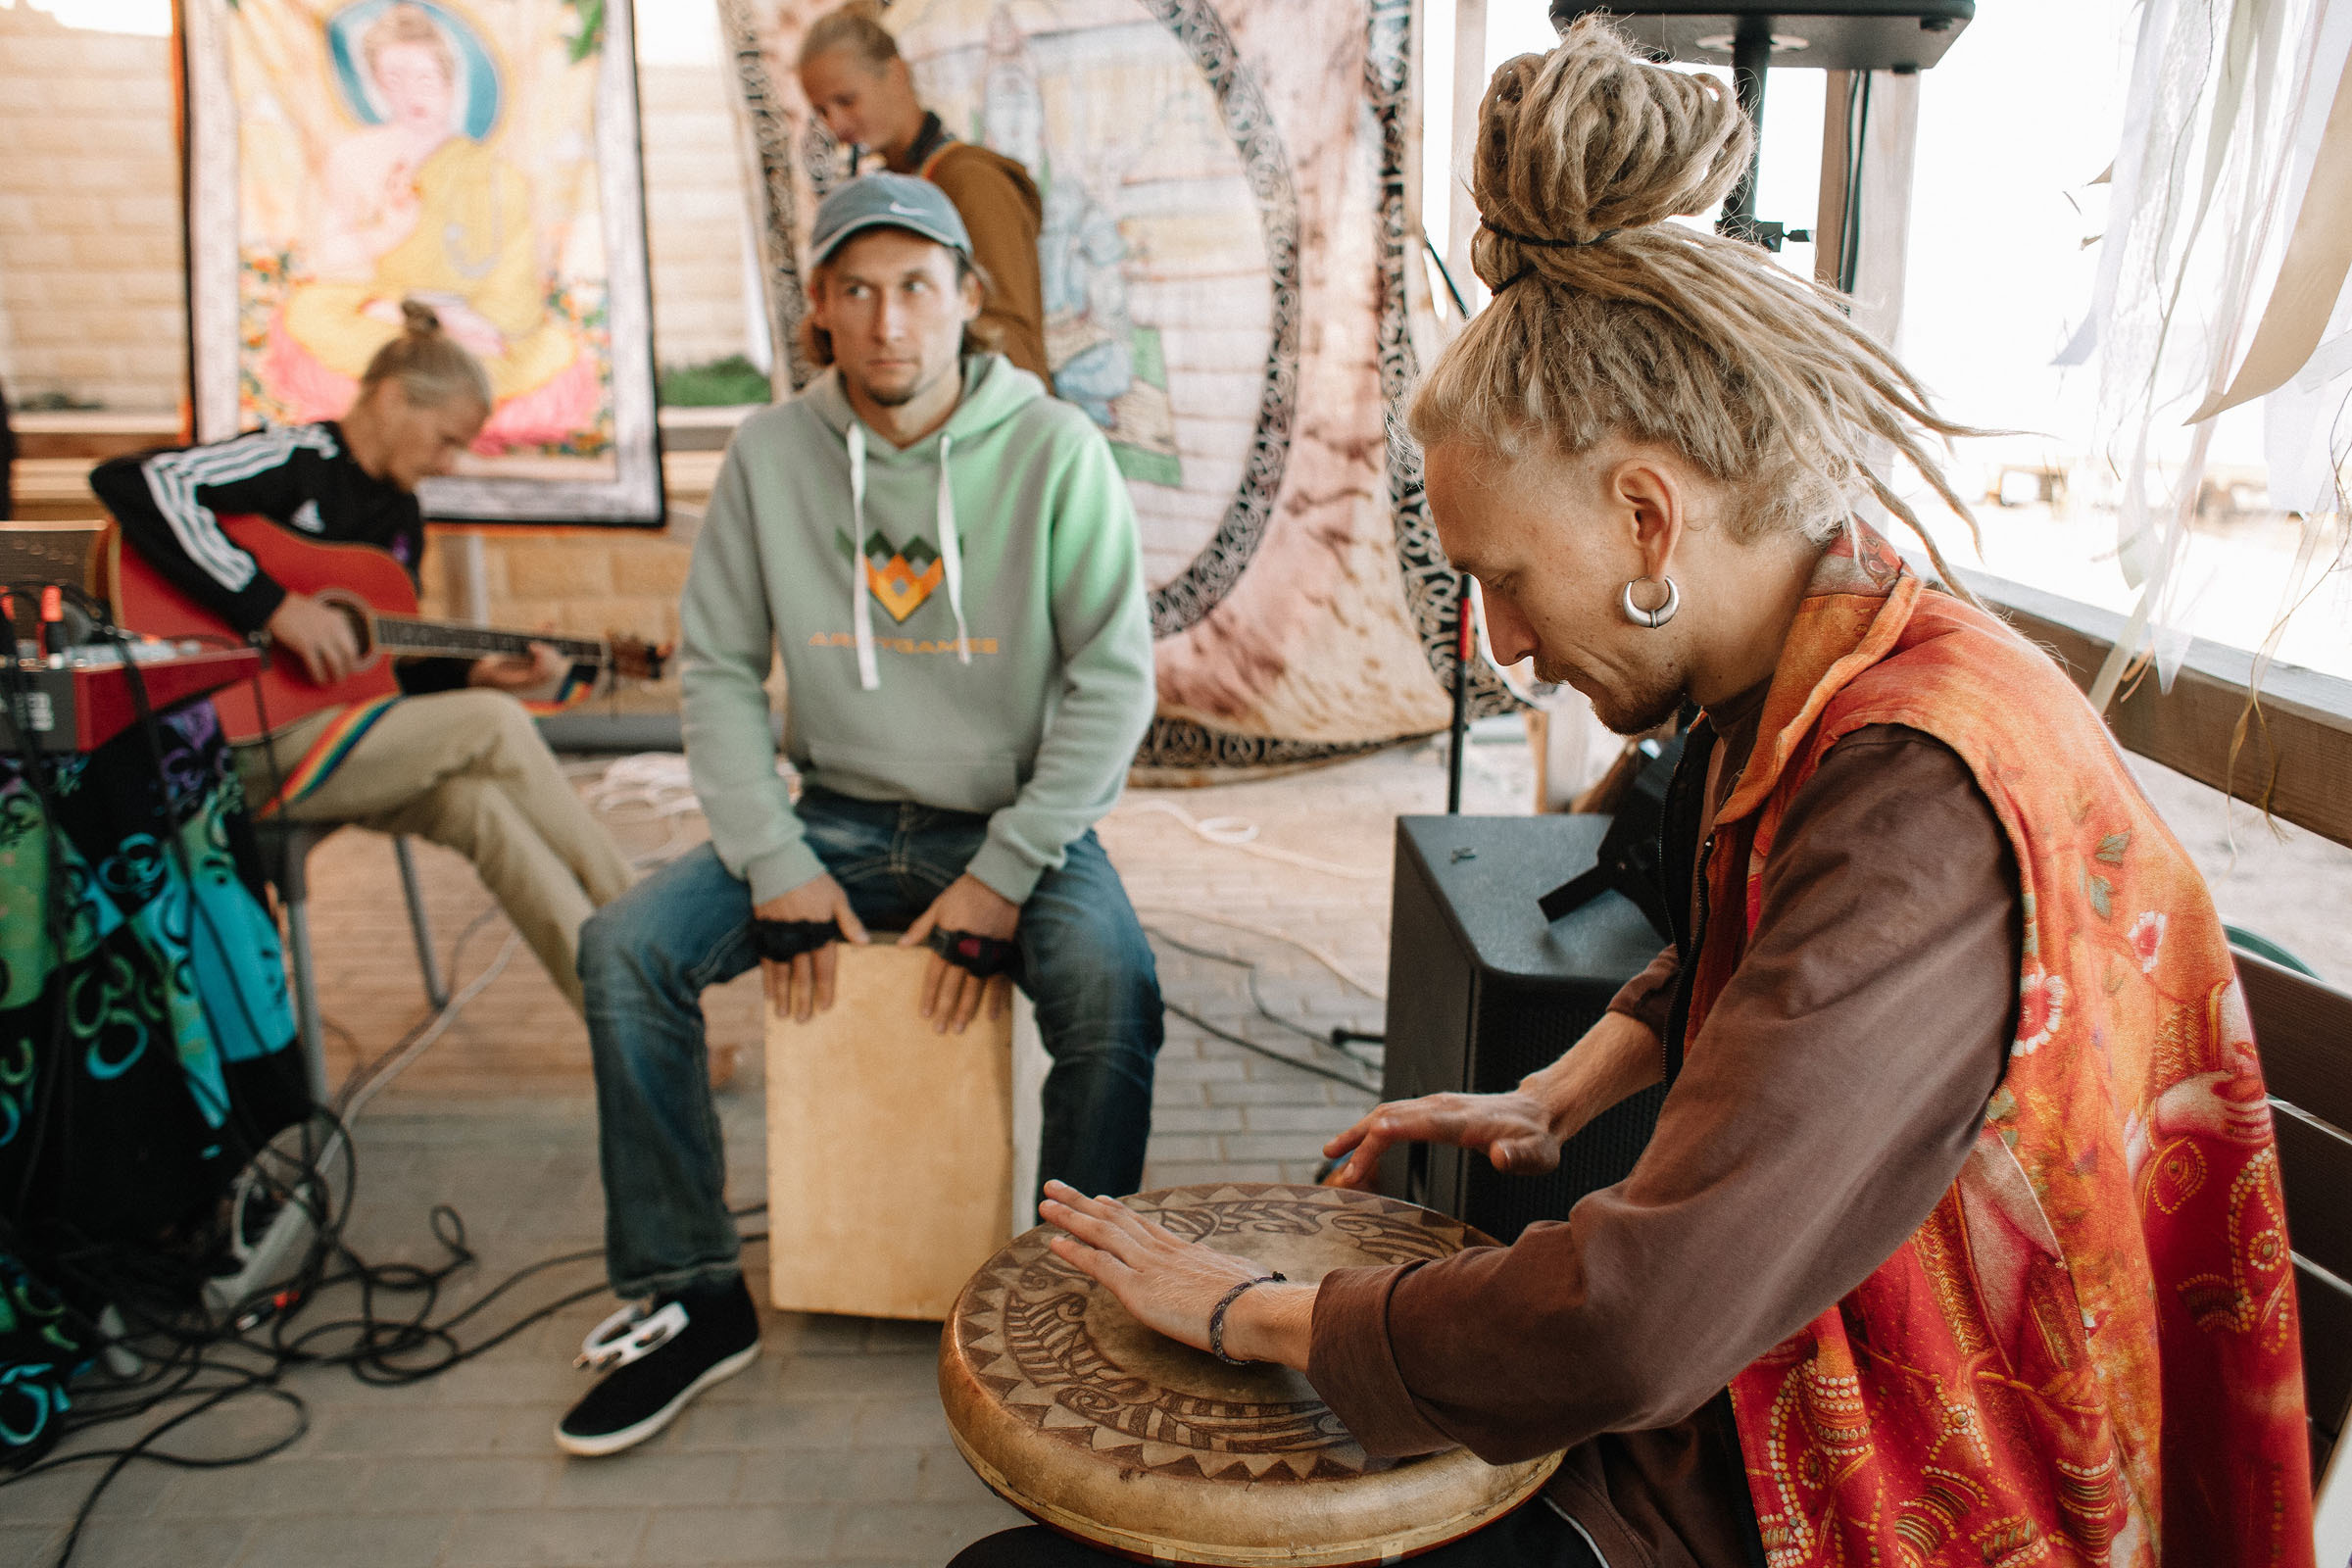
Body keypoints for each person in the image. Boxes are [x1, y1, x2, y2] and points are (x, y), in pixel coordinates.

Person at [997, 22, 2314, 1568]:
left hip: (1898, 1487)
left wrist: (1259, 1312)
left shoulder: (1917, 798)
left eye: (1503, 580)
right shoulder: (1846, 665)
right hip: (1787, 1394)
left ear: (1642, 518)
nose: (1503, 646)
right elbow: (1767, 955)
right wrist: (1569, 1083)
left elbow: (1636, 1326)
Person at [556, 173, 1160, 1458]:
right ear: (822, 307)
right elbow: (715, 667)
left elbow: (1114, 683)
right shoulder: (771, 457)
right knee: (626, 953)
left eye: (916, 288)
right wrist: (770, 858)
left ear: (967, 302)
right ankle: (690, 1292)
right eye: (858, 290)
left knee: (1112, 984)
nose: (889, 320)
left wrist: (1005, 874)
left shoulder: (1055, 452)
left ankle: (1081, 1301)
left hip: (1006, 820)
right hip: (828, 817)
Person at [95, 304, 634, 1016]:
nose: (448, 464)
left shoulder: (401, 520)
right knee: (495, 725)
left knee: (479, 804)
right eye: (446, 441)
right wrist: (276, 609)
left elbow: (384, 659)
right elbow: (138, 483)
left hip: (332, 740)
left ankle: (627, 1019)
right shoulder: (294, 460)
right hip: (227, 750)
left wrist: (473, 673)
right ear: (391, 397)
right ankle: (644, 922)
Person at [270, 2, 595, 452]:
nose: (411, 95)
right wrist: (388, 232)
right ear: (375, 84)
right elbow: (327, 260)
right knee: (308, 318)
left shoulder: (497, 176)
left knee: (542, 356)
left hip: (469, 330)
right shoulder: (355, 158)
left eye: (424, 79)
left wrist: (460, 323)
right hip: (380, 316)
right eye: (393, 80)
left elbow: (514, 291)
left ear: (451, 80)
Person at [797, 1, 1052, 382]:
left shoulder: (970, 181)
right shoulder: (895, 184)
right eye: (821, 111)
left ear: (896, 74)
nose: (835, 124)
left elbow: (1012, 342)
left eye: (846, 100)